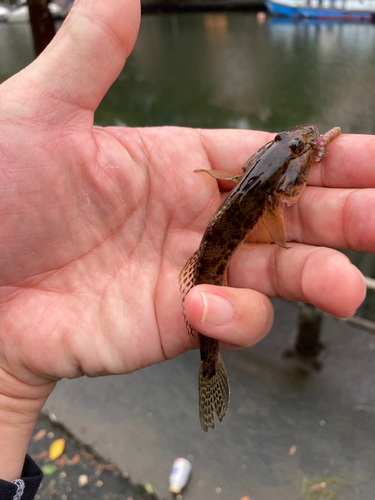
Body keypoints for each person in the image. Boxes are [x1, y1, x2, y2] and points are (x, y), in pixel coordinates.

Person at [0, 0, 372, 497]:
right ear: (268, 159)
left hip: (216, 245)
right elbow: (286, 196)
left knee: (222, 298)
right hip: (220, 246)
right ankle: (209, 363)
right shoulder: (275, 191)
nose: (297, 143)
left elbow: (275, 190)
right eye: (290, 145)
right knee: (228, 301)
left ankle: (209, 358)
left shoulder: (249, 175)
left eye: (296, 146)